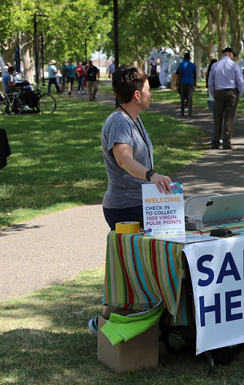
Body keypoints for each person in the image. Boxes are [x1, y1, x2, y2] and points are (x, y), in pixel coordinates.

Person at [89, 65, 173, 334]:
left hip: (142, 203)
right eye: (149, 89)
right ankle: (103, 321)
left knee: (139, 264)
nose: (152, 94)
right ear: (137, 94)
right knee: (127, 266)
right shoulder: (119, 121)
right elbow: (124, 159)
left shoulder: (133, 119)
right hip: (124, 206)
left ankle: (149, 320)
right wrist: (152, 175)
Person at [208, 47, 244, 149]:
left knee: (217, 118)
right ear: (230, 54)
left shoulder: (215, 65)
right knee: (229, 118)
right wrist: (239, 93)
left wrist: (213, 92)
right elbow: (239, 81)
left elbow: (210, 82)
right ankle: (226, 142)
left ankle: (215, 142)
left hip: (218, 92)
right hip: (231, 92)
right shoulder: (234, 65)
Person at [176, 52, 197, 116]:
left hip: (183, 82)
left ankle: (182, 112)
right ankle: (190, 112)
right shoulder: (193, 65)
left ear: (184, 57)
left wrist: (178, 83)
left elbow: (179, 74)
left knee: (182, 97)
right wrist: (195, 82)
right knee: (190, 98)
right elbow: (195, 74)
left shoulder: (181, 64)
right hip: (190, 82)